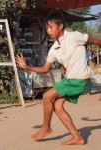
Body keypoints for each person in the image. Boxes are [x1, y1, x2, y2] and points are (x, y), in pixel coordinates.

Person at [16, 11, 101, 145]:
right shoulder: (54, 48)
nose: (48, 31)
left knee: (46, 96)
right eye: (46, 28)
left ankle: (46, 128)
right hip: (71, 79)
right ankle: (77, 137)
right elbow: (44, 69)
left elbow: (94, 41)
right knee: (58, 106)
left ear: (60, 26)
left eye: (51, 27)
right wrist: (27, 67)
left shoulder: (74, 36)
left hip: (78, 78)